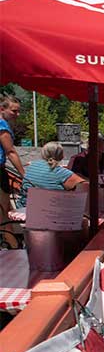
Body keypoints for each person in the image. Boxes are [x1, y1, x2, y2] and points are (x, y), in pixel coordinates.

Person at [17, 142, 87, 208]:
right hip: (50, 213)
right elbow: (86, 186)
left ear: (43, 154)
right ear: (62, 156)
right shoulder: (61, 173)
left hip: (24, 208)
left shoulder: (31, 166)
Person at [0, 95, 26, 242]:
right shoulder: (2, 127)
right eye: (14, 111)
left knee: (6, 211)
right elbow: (10, 152)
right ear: (2, 109)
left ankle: (11, 244)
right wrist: (24, 174)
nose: (17, 114)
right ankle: (12, 246)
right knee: (5, 213)